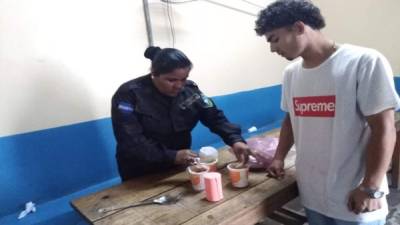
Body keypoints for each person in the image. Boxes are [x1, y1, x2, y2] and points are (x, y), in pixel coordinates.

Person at [255, 0, 400, 224]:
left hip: (355, 194)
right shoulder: (291, 73)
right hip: (312, 194)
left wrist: (371, 187)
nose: (272, 48)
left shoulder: (363, 61)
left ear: (299, 28)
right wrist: (279, 157)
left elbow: (384, 128)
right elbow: (290, 119)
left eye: (274, 39)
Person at [111, 46, 251, 181]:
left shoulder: (190, 91)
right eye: (171, 80)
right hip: (140, 171)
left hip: (178, 165)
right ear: (154, 73)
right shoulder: (128, 95)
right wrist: (172, 156)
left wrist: (235, 140)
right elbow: (131, 141)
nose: (179, 86)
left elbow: (215, 117)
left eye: (183, 79)